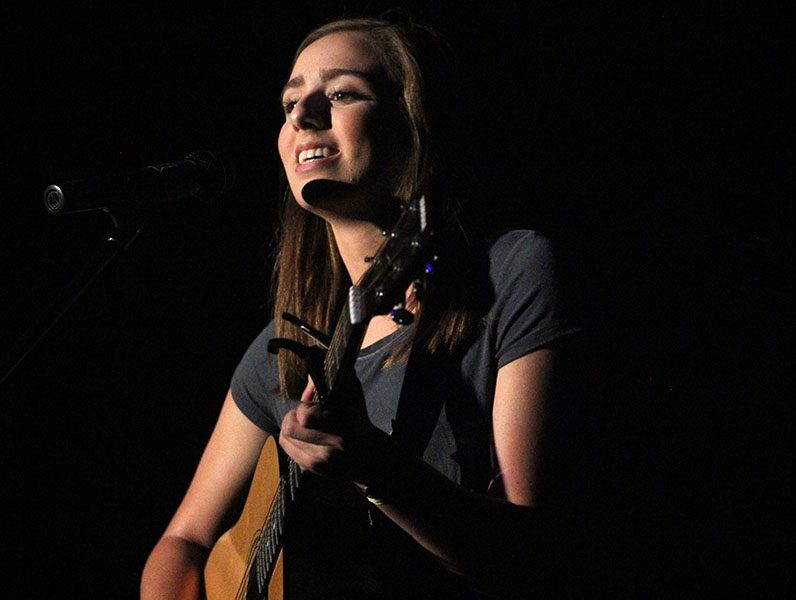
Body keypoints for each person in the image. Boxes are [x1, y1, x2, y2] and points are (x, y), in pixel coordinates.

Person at [141, 15, 591, 599]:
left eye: (342, 93)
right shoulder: (283, 348)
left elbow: (533, 551)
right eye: (289, 102)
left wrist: (376, 466)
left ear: (414, 126)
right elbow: (184, 542)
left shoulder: (510, 272)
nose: (302, 115)